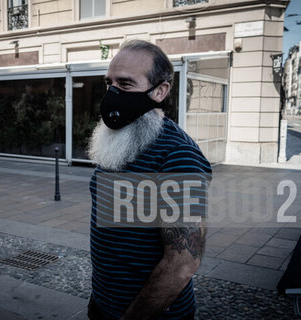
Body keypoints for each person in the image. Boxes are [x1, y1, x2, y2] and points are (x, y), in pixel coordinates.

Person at [87, 40, 212, 320]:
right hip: (104, 303)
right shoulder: (119, 140)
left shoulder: (178, 156)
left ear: (160, 91)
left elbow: (182, 263)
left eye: (126, 84)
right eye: (110, 84)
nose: (113, 93)